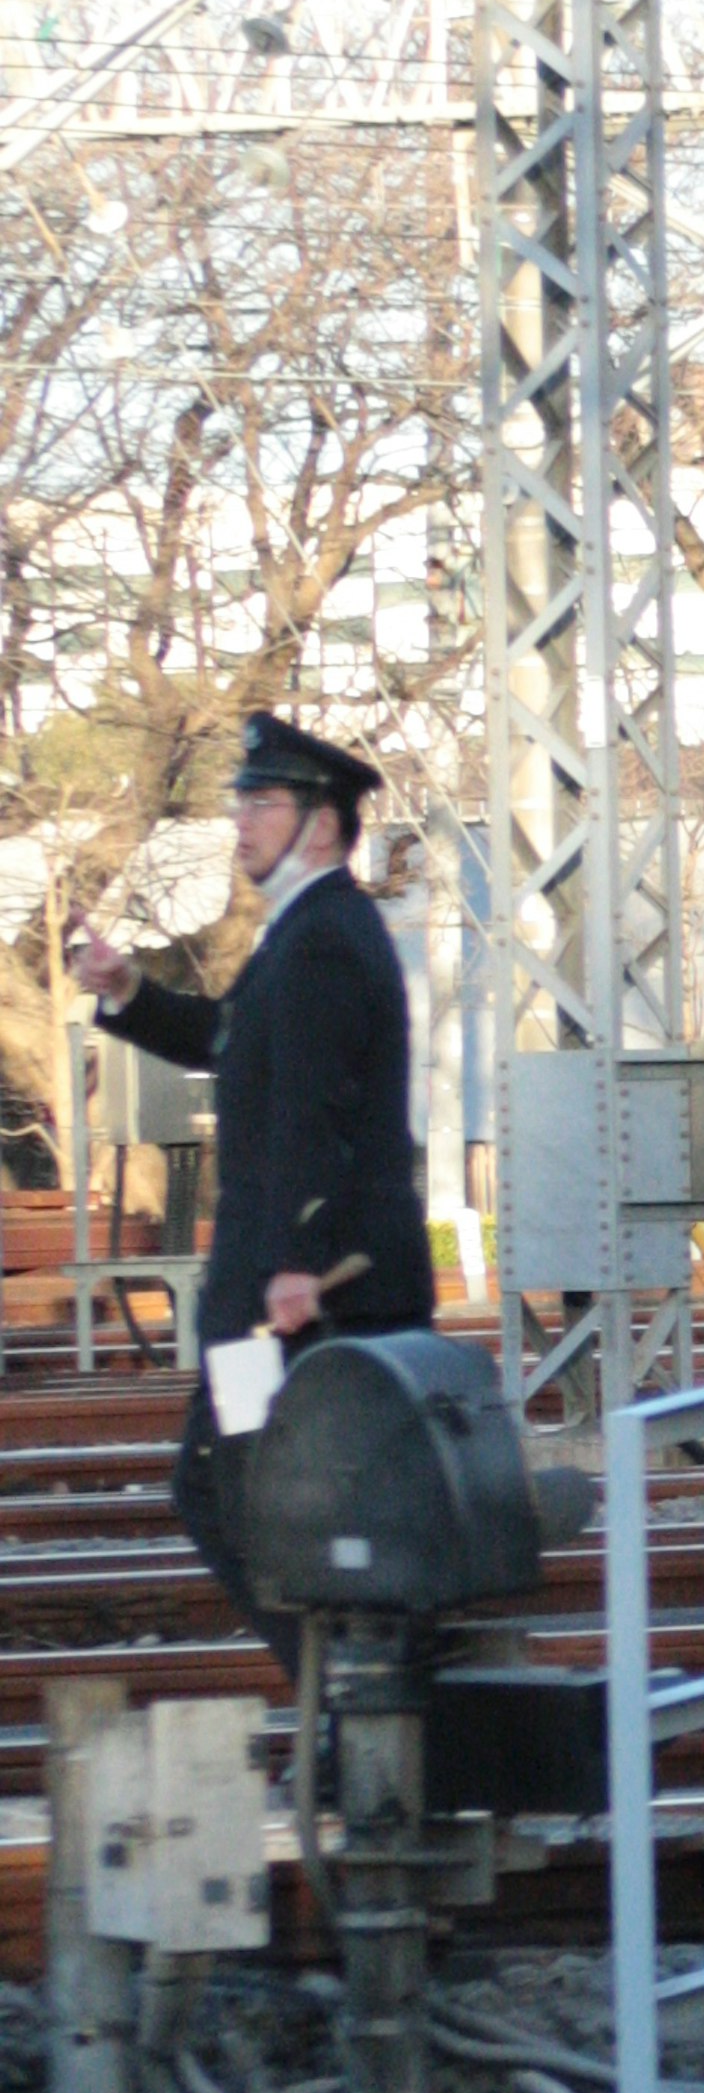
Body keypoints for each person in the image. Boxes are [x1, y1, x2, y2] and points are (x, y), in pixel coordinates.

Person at [65, 711, 438, 1659]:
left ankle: (357, 1710)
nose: (241, 820)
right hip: (298, 1293)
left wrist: (295, 1266)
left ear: (321, 821)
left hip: (303, 1302)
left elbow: (312, 1113)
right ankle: (357, 1706)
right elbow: (232, 1044)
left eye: (262, 802)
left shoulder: (317, 941)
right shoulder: (305, 934)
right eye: (243, 801)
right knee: (269, 1496)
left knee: (237, 1489)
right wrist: (123, 990)